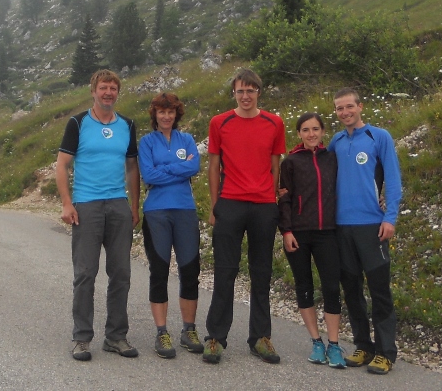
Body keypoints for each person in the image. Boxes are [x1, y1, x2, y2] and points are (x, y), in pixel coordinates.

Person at [202, 68, 286, 365]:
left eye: (250, 90)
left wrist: (273, 199)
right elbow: (214, 166)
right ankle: (215, 337)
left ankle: (260, 337)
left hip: (263, 205)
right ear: (234, 93)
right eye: (240, 91)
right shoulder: (219, 122)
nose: (245, 96)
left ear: (258, 92)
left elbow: (275, 165)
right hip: (230, 203)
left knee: (261, 272)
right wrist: (215, 206)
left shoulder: (274, 123)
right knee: (225, 271)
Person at [56, 69, 141, 361]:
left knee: (121, 274)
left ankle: (116, 337)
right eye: (103, 88)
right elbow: (62, 165)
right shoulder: (78, 123)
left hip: (118, 204)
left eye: (113, 88)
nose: (108, 93)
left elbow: (132, 167)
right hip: (87, 205)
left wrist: (134, 206)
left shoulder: (127, 125)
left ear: (118, 93)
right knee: (85, 274)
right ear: (93, 91)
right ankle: (82, 338)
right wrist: (67, 204)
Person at [328, 87, 402, 375]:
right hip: (341, 226)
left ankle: (385, 352)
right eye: (339, 108)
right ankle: (363, 346)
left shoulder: (378, 136)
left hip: (372, 225)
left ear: (360, 106)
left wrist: (390, 217)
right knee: (352, 289)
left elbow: (392, 179)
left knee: (379, 290)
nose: (345, 112)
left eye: (349, 106)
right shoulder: (335, 141)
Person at [137, 92, 204, 359]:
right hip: (156, 212)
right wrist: (179, 167)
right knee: (159, 271)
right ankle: (162, 332)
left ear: (177, 114)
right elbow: (148, 174)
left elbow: (194, 166)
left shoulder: (186, 139)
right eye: (162, 112)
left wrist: (164, 170)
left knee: (190, 270)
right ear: (155, 114)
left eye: (171, 112)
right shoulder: (146, 142)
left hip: (185, 210)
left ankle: (189, 330)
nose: (166, 116)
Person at [278, 112, 346, 368]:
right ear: (298, 134)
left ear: (323, 131)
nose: (311, 134)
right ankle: (316, 342)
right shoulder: (291, 162)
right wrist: (286, 231)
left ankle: (334, 344)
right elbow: (284, 199)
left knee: (331, 287)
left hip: (327, 231)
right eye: (305, 130)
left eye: (315, 129)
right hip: (298, 233)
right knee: (304, 285)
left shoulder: (332, 158)